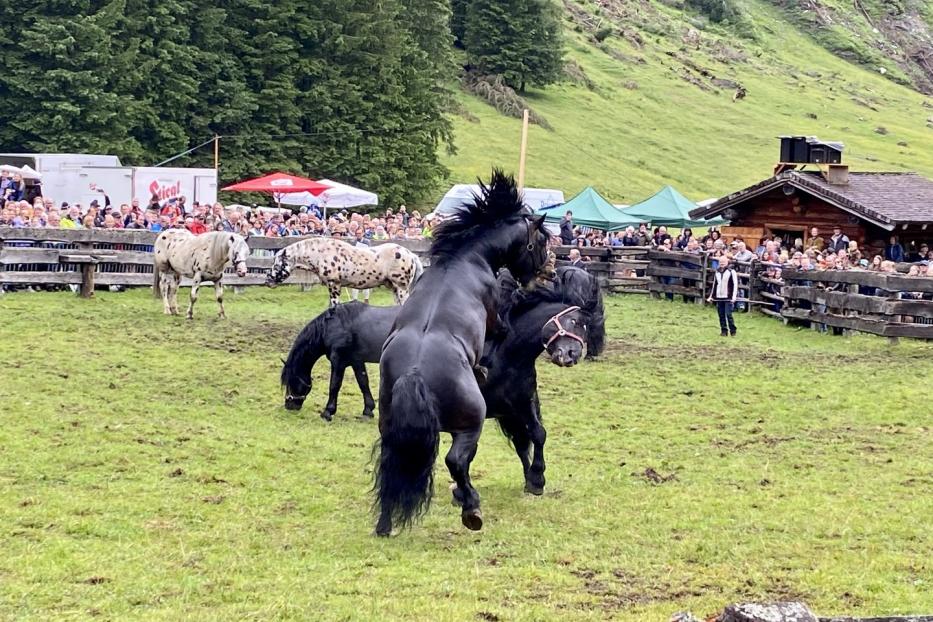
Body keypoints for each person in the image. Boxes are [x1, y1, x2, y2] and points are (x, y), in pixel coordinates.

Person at [708, 255, 738, 337]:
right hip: (719, 297)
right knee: (721, 315)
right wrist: (711, 296)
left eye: (723, 262)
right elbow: (715, 285)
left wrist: (733, 297)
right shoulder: (717, 272)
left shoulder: (731, 272)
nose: (722, 263)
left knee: (728, 314)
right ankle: (724, 331)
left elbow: (735, 285)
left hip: (728, 297)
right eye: (720, 262)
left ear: (727, 262)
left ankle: (733, 330)